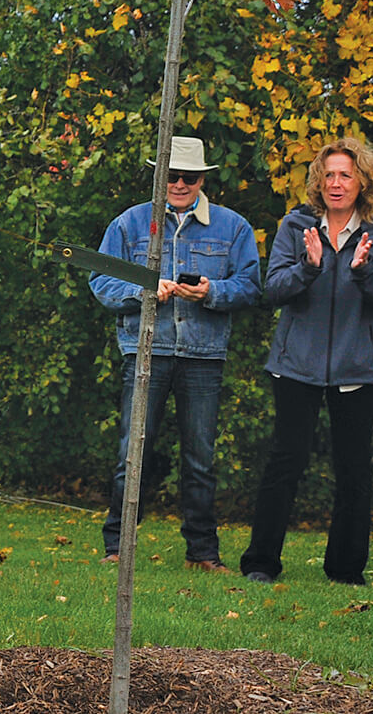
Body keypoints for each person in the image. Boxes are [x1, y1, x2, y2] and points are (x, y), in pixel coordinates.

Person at [89, 136, 261, 572]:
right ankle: (117, 547)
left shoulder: (233, 227)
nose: (180, 184)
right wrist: (144, 290)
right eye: (172, 175)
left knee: (200, 457)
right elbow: (101, 282)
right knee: (133, 453)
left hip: (203, 355)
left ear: (203, 179)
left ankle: (202, 553)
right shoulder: (129, 224)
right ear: (159, 175)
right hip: (145, 350)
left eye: (188, 177)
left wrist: (211, 291)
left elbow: (251, 287)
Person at [240, 137, 373, 586]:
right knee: (284, 462)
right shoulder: (296, 225)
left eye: (345, 175)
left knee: (354, 470)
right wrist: (308, 268)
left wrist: (365, 269)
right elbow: (272, 289)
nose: (336, 183)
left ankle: (346, 569)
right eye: (328, 175)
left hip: (358, 368)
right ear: (318, 181)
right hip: (296, 365)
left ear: (363, 181)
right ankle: (261, 563)